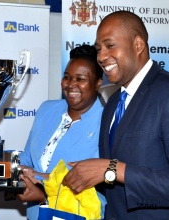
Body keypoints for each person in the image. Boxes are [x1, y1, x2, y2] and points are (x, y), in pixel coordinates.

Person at [62, 11, 169, 219]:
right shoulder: (113, 103)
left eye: (110, 46)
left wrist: (114, 169)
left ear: (138, 45)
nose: (101, 57)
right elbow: (114, 182)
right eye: (98, 49)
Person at [18, 45, 106, 220]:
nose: (71, 84)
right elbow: (28, 156)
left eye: (80, 79)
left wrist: (41, 188)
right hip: (36, 214)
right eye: (67, 77)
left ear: (98, 84)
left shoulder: (107, 122)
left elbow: (87, 180)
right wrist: (15, 168)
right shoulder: (46, 109)